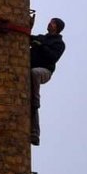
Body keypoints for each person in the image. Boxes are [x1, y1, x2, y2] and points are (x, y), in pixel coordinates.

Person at [29, 18, 65, 146]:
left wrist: (41, 46)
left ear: (57, 27)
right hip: (30, 70)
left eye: (53, 23)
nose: (50, 24)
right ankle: (33, 132)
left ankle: (36, 99)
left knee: (35, 73)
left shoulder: (59, 44)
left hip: (45, 71)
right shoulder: (42, 37)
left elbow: (52, 57)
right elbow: (28, 38)